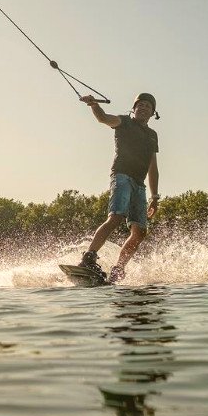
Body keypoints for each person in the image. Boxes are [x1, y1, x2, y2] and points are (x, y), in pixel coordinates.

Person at [78, 92, 160, 283]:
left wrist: (155, 197)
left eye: (147, 106)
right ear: (134, 109)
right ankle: (88, 258)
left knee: (140, 232)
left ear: (152, 113)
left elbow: (153, 167)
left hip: (139, 185)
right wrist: (93, 105)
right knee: (116, 217)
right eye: (140, 105)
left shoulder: (152, 136)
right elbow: (103, 118)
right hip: (122, 176)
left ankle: (118, 269)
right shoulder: (124, 122)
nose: (143, 108)